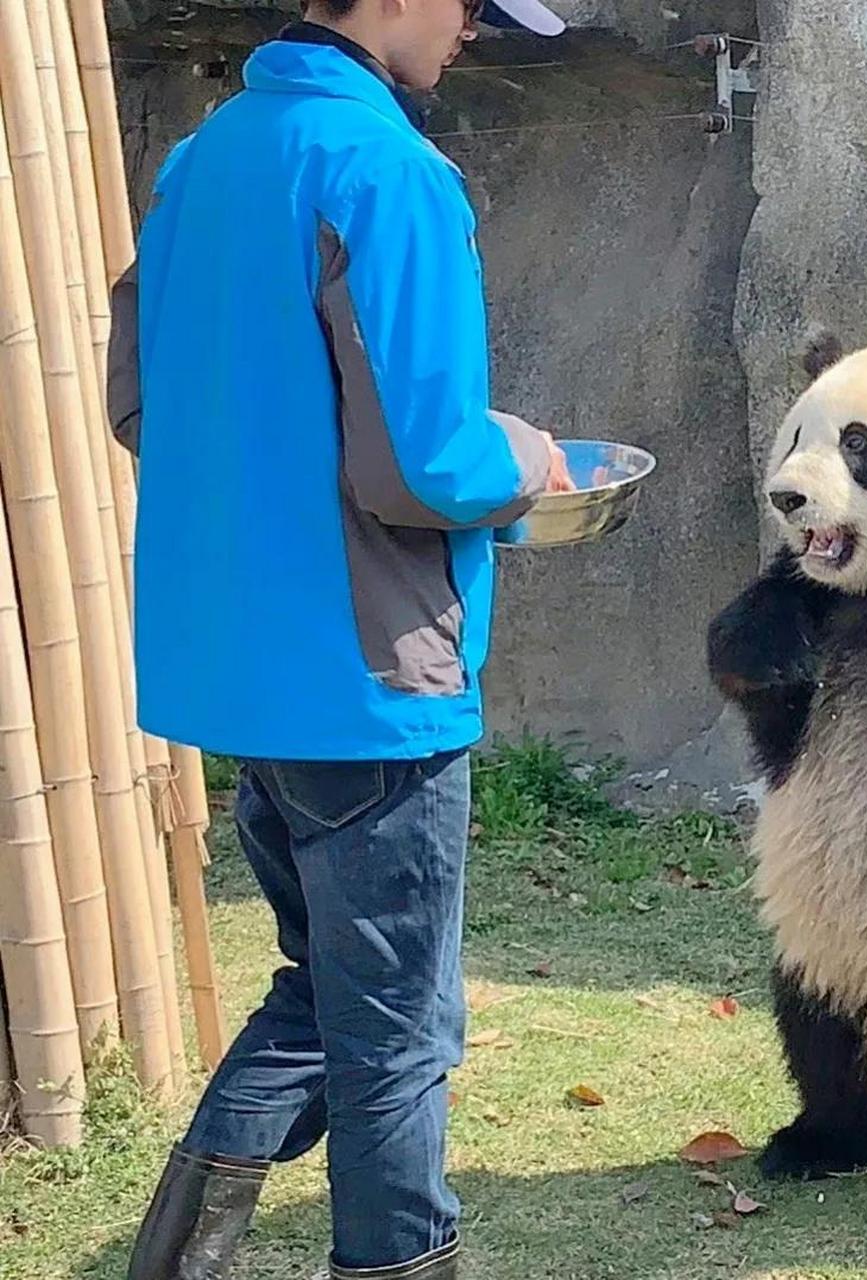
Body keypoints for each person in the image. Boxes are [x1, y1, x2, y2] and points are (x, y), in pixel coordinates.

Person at [108, 1, 573, 1277]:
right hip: (368, 682)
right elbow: (427, 460)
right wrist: (527, 459)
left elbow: (142, 401)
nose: (475, 30)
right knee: (398, 1038)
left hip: (242, 667)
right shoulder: (388, 171)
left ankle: (174, 1257)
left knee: (327, 994)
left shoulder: (202, 159)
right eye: (474, 5)